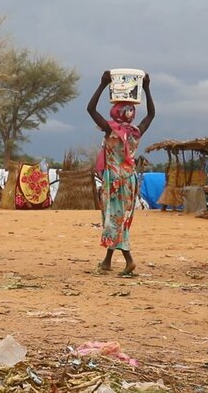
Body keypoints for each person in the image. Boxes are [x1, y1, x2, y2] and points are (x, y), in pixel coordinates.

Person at [87, 71, 155, 276]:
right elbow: (151, 114)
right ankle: (107, 261)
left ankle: (129, 260)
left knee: (114, 219)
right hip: (130, 180)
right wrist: (146, 89)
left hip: (114, 180)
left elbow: (90, 109)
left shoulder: (111, 130)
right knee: (118, 218)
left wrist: (101, 85)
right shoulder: (136, 131)